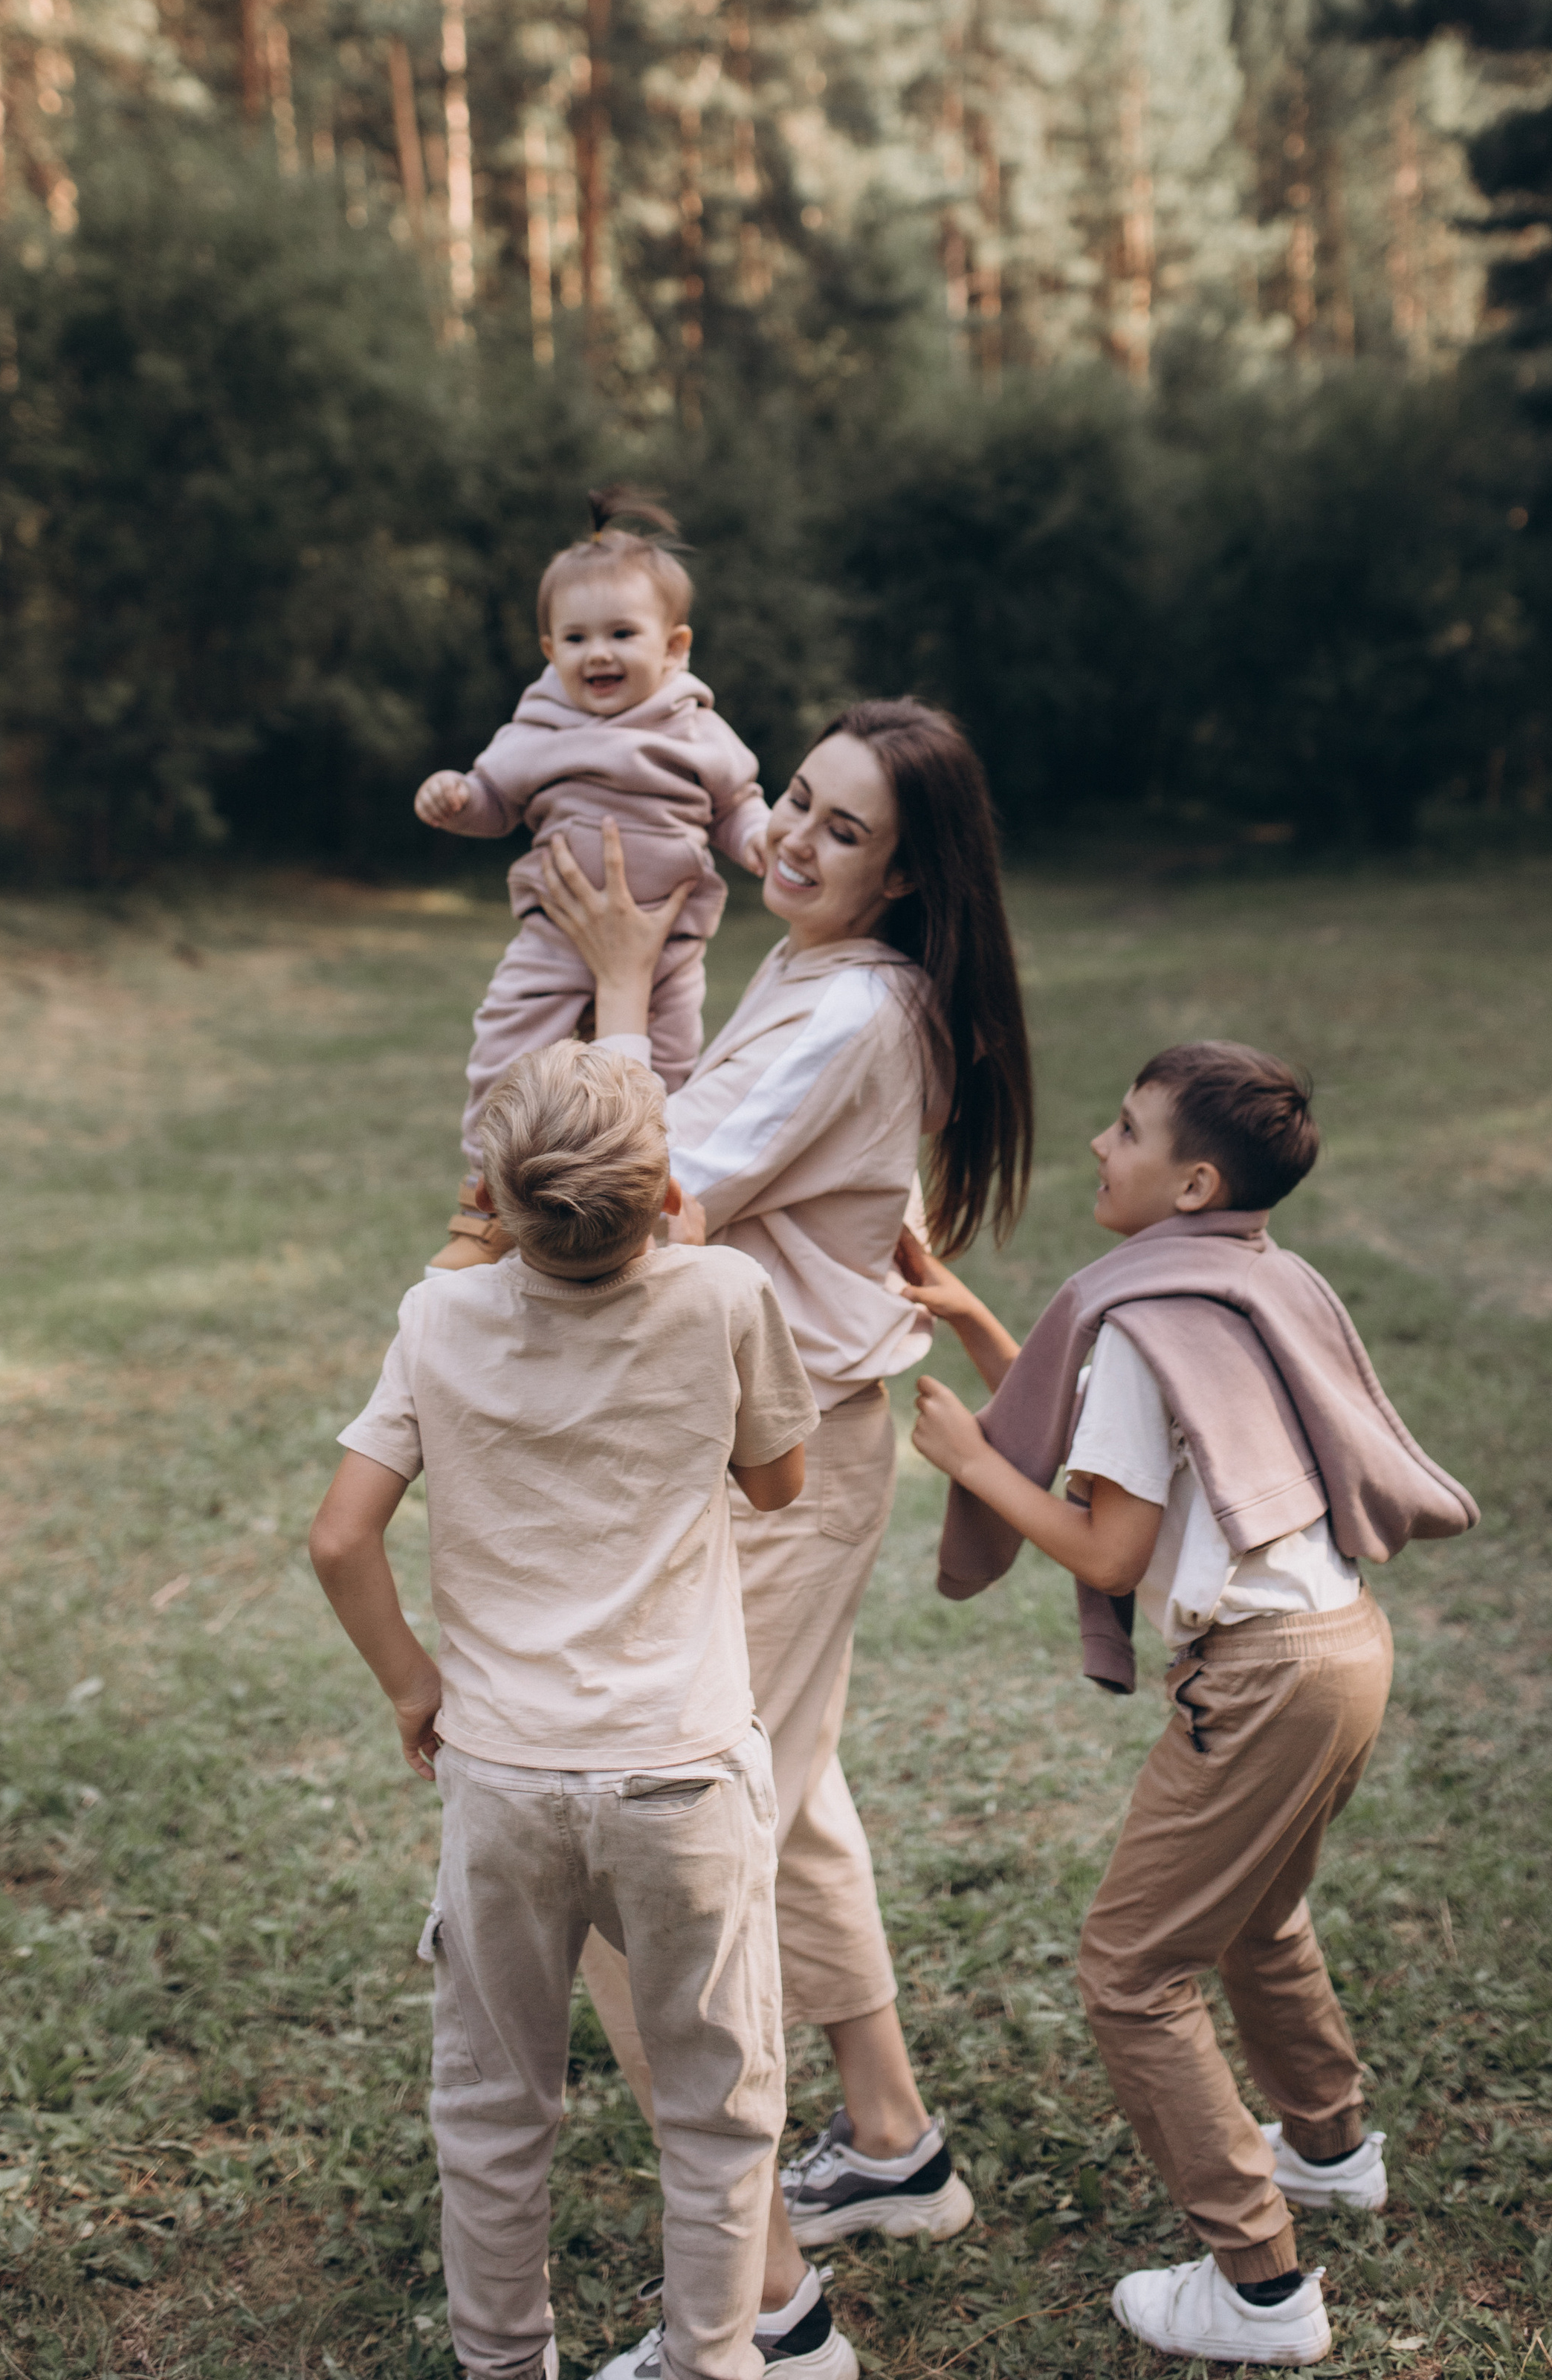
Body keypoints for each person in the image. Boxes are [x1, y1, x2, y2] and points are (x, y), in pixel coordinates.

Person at [529, 699, 1033, 2380]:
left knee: (641, 1854)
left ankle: (760, 2315)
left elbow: (653, 1198)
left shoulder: (855, 1009)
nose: (791, 843)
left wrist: (611, 982)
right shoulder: (823, 972)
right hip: (794, 1443)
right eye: (792, 804)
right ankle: (887, 2146)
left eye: (840, 833)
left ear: (903, 883)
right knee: (784, 1789)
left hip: (785, 1464)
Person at [902, 1041, 1479, 2371]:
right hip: (1343, 1643)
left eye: (1126, 1128)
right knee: (1256, 1913)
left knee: (1130, 1969)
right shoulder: (1241, 1283)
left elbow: (1108, 1549)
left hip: (1264, 1673)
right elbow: (1124, 1417)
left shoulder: (1149, 1321)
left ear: (1192, 1180)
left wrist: (962, 1460)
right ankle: (1329, 2149)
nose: (1101, 1145)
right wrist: (983, 1324)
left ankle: (1262, 2293)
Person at [308, 1041, 818, 2380]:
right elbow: (777, 1483)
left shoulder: (439, 1313)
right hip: (685, 1775)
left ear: (494, 1189)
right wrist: (692, 1249)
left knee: (491, 2104)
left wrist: (415, 1681)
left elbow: (339, 1539)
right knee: (716, 2109)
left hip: (503, 1774)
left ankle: (501, 2361)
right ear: (659, 1190)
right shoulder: (724, 1292)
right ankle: (712, 2358)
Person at [413, 489, 770, 1270]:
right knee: (504, 1043)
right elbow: (494, 801)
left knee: (667, 1067)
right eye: (575, 637)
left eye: (620, 633)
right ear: (549, 648)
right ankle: (487, 1187)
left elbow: (736, 806)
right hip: (554, 932)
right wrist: (455, 799)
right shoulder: (538, 727)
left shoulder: (694, 725)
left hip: (668, 942)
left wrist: (761, 842)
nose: (596, 653)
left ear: (673, 646)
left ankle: (645, 1190)